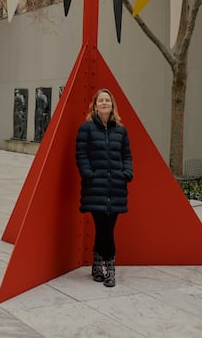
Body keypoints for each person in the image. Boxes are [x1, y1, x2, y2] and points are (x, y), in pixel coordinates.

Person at [76, 88, 133, 288]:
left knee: (106, 229)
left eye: (107, 100)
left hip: (116, 186)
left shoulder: (121, 130)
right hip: (96, 187)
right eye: (100, 100)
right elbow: (81, 154)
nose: (104, 103)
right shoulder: (87, 128)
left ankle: (95, 265)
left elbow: (127, 155)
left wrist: (127, 173)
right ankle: (110, 270)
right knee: (104, 228)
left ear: (112, 105)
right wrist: (89, 175)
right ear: (95, 105)